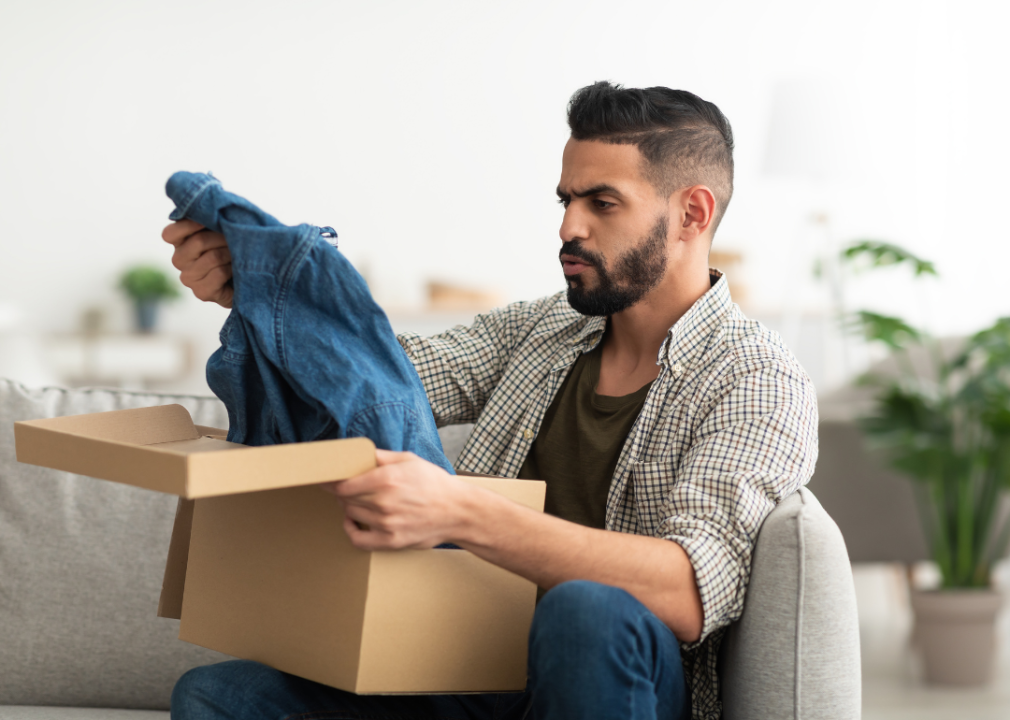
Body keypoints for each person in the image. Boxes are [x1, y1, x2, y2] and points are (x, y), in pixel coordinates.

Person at [163, 81, 818, 720]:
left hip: (613, 673)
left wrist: (459, 512)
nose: (569, 226)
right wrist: (260, 291)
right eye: (565, 199)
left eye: (603, 203)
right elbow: (381, 380)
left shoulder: (755, 378)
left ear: (692, 213)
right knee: (216, 697)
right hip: (471, 662)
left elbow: (688, 590)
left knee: (585, 610)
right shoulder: (539, 331)